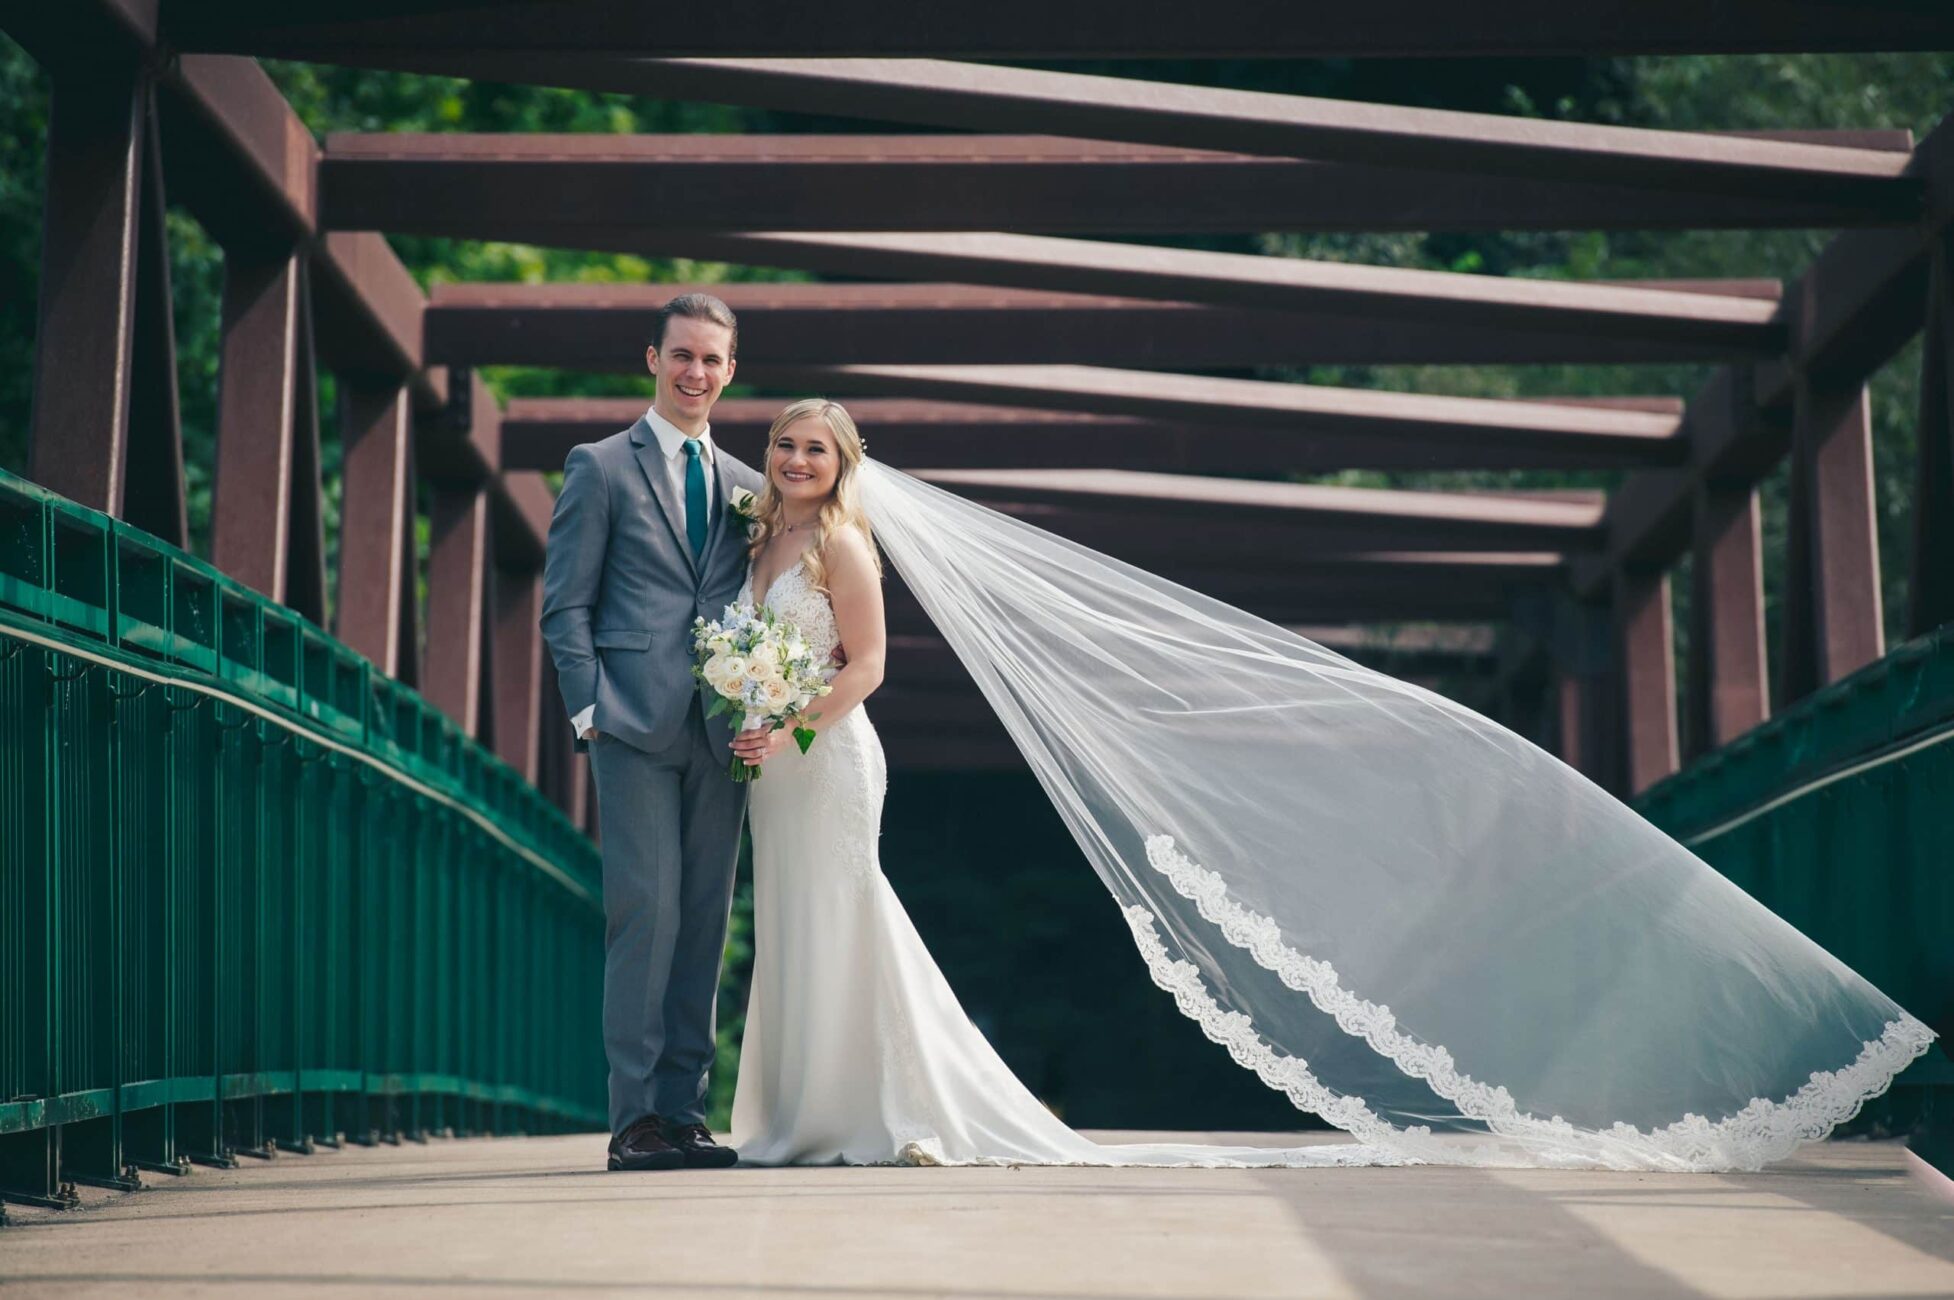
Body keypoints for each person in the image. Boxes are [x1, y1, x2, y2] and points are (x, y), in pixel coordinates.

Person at [723, 396, 1934, 1173]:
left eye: (815, 447)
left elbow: (871, 664)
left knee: (844, 914)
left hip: (822, 758)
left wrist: (790, 726)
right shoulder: (757, 532)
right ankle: (796, 1111)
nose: (794, 457)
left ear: (846, 464)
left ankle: (859, 1113)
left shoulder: (841, 542)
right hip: (772, 760)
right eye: (783, 442)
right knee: (797, 923)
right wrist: (756, 716)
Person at [540, 293, 763, 1171]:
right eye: (681, 356)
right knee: (648, 914)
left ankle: (683, 1112)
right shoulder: (598, 466)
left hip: (722, 733)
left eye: (711, 359)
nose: (695, 373)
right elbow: (566, 605)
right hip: (632, 724)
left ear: (731, 369)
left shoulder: (750, 485)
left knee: (705, 920)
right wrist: (590, 709)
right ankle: (634, 1121)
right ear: (652, 358)